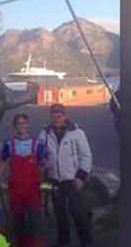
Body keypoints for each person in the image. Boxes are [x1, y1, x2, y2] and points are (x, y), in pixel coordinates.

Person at [39, 103, 93, 246]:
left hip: (73, 179)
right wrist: (42, 161)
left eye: (59, 115)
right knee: (59, 214)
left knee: (77, 211)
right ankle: (64, 242)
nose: (56, 119)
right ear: (50, 117)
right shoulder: (44, 133)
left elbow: (86, 156)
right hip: (54, 181)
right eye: (53, 116)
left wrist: (81, 176)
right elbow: (39, 153)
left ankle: (86, 241)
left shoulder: (77, 132)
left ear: (64, 116)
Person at [0, 113, 46, 247]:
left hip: (33, 188)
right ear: (15, 126)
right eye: (19, 123)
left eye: (24, 122)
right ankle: (21, 242)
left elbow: (42, 162)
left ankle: (36, 243)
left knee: (35, 219)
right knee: (18, 219)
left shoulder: (37, 144)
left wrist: (49, 164)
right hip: (16, 189)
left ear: (28, 124)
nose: (22, 125)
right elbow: (3, 161)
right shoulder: (9, 144)